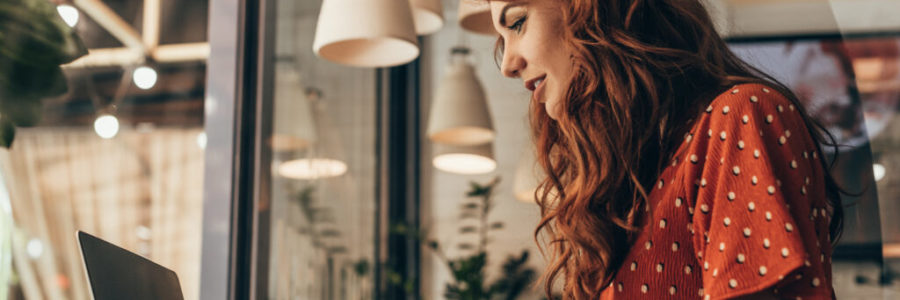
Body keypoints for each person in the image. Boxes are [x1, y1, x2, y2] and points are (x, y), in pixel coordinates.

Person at [487, 0, 845, 299]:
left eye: (517, 23)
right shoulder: (632, 180)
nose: (506, 66)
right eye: (502, 41)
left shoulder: (739, 116)